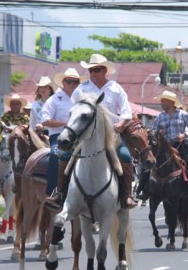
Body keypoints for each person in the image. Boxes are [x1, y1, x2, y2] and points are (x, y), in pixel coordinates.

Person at [45, 54, 137, 210]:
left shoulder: (116, 88)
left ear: (105, 70)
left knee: (125, 156)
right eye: (91, 70)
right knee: (65, 155)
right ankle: (59, 193)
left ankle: (127, 195)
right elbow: (73, 110)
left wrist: (121, 124)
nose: (93, 73)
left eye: (97, 69)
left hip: (112, 136)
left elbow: (126, 112)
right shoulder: (82, 88)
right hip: (86, 137)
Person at [137, 91, 188, 202]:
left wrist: (184, 134)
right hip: (164, 147)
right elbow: (153, 131)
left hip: (179, 145)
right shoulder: (160, 116)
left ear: (171, 102)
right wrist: (158, 132)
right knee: (148, 162)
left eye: (163, 101)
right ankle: (142, 189)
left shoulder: (183, 114)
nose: (161, 103)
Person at [40, 68, 85, 205]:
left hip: (80, 137)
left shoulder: (83, 99)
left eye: (75, 82)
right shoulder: (54, 100)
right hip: (59, 136)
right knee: (55, 154)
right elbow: (45, 121)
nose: (72, 84)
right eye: (69, 81)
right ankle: (54, 191)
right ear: (63, 82)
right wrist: (68, 124)